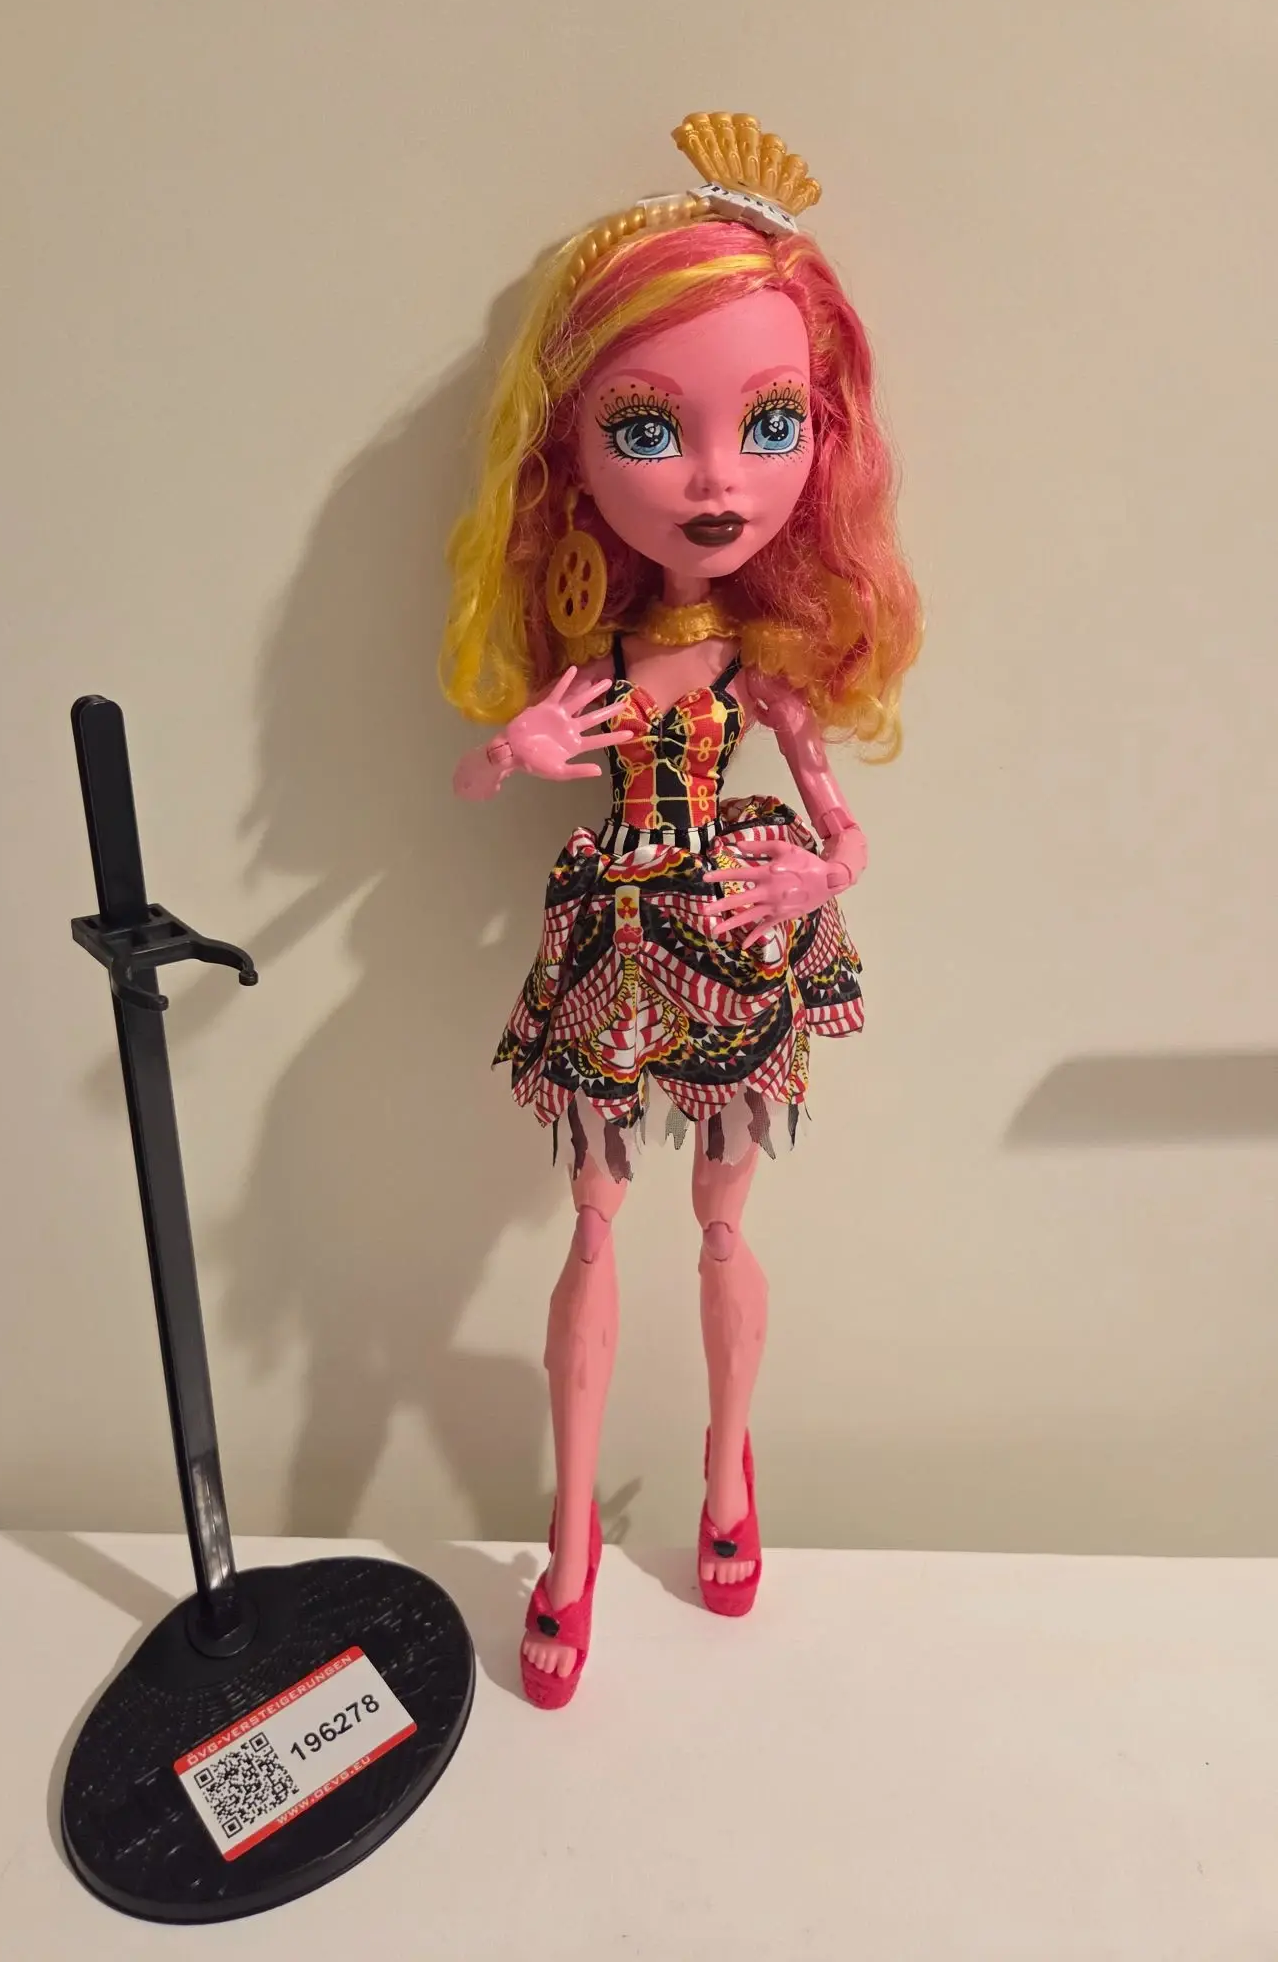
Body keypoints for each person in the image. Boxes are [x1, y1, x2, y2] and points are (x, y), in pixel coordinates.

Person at [441, 113, 922, 1708]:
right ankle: (571, 1533)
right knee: (594, 1219)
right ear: (567, 455)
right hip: (608, 932)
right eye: (649, 430)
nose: (720, 483)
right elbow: (485, 773)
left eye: (770, 424)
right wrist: (513, 751)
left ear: (819, 441)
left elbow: (845, 827)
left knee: (722, 1218)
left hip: (723, 928)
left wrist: (819, 872)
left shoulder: (762, 673)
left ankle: (727, 1474)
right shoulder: (589, 658)